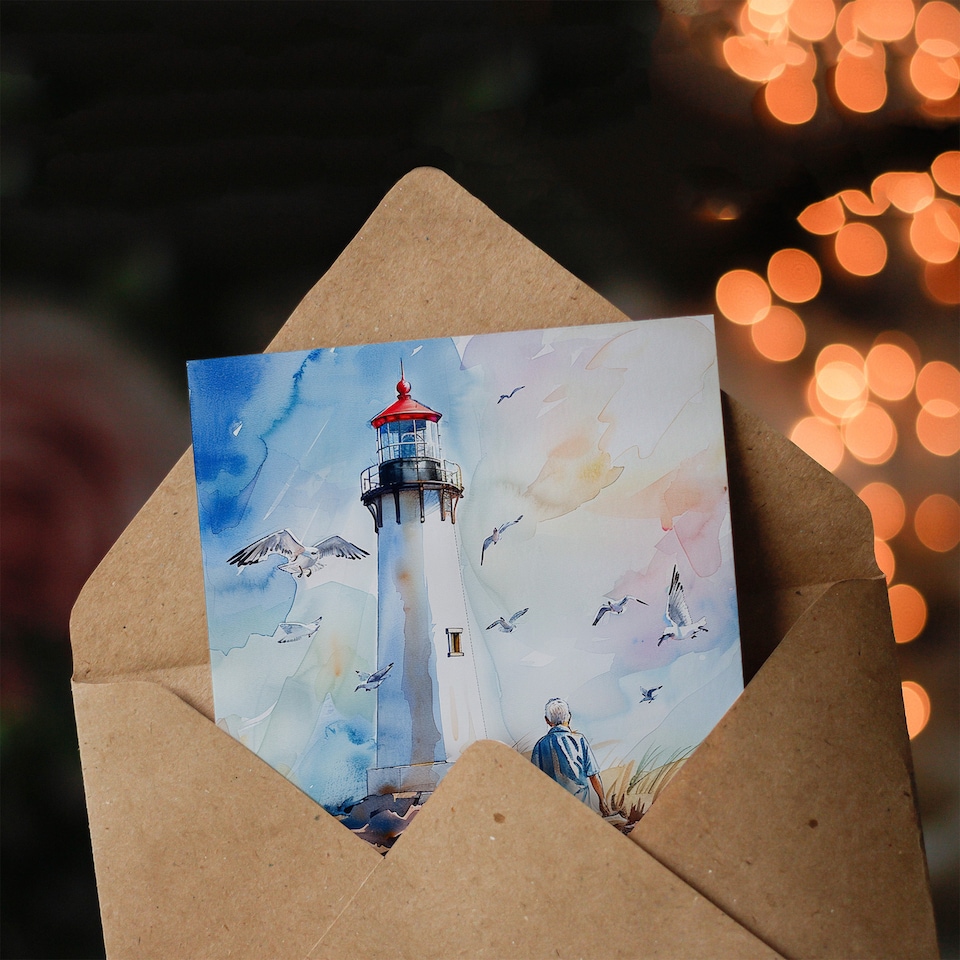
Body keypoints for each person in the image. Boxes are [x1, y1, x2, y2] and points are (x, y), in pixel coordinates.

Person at [530, 698, 611, 816]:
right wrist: (602, 801)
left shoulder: (540, 744)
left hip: (554, 809)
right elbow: (593, 775)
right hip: (582, 805)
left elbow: (534, 780)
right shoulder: (580, 740)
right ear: (569, 717)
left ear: (547, 720)